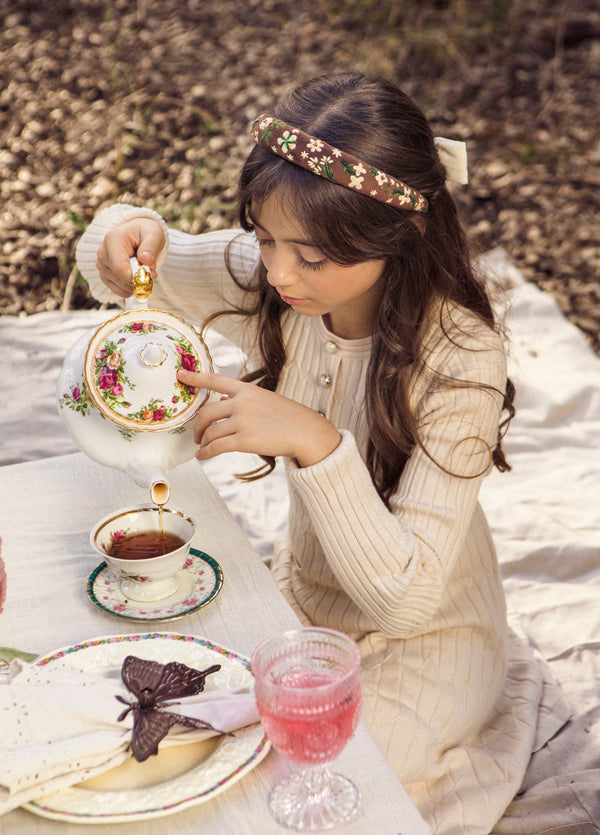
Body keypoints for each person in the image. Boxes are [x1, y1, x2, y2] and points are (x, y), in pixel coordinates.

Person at [76, 72, 569, 834]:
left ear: (396, 236)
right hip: (299, 602)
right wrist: (124, 232)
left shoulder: (463, 357)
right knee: (161, 729)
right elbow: (136, 265)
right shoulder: (278, 281)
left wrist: (312, 438)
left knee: (316, 787)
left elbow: (406, 599)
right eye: (265, 238)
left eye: (310, 256)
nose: (277, 273)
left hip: (430, 638)